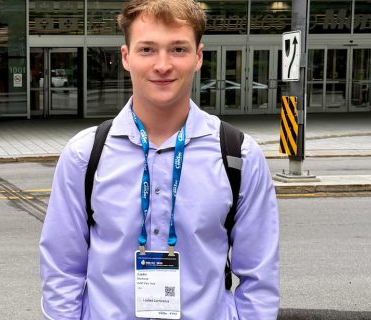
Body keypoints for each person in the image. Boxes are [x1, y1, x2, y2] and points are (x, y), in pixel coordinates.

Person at [39, 1, 279, 319]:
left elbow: (259, 278)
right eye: (147, 49)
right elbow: (62, 272)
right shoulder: (85, 156)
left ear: (198, 56)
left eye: (178, 49)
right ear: (126, 57)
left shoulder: (239, 156)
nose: (163, 65)